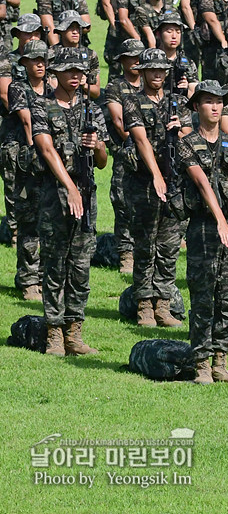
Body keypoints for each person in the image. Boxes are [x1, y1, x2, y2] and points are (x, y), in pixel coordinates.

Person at [33, 48, 108, 356]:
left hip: (86, 194)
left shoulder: (92, 110)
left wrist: (98, 145)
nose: (76, 76)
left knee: (80, 267)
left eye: (80, 72)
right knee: (54, 263)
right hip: (55, 195)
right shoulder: (42, 106)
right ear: (56, 74)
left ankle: (74, 330)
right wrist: (69, 188)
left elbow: (102, 162)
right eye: (70, 71)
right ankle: (53, 330)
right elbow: (47, 150)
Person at [179, 80, 228, 383]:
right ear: (196, 107)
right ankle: (202, 362)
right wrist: (219, 219)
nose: (215, 107)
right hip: (205, 228)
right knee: (204, 296)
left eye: (219, 102)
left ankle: (221, 360)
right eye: (208, 101)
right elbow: (202, 183)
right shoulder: (187, 143)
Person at [122, 48, 192, 327]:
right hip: (144, 182)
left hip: (174, 182)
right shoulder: (132, 102)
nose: (158, 74)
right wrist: (156, 175)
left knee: (169, 246)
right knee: (145, 245)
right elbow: (141, 141)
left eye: (162, 70)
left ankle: (163, 304)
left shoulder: (178, 103)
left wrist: (181, 129)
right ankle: (143, 307)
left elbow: (192, 136)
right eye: (153, 69)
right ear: (142, 71)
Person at [3, 40, 48, 301]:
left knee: (48, 221)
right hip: (26, 160)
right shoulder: (18, 88)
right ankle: (28, 279)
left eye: (43, 59)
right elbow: (27, 120)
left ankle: (43, 275)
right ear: (25, 63)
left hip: (48, 161)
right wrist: (38, 151)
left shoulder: (52, 89)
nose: (40, 63)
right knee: (29, 220)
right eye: (35, 60)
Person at [104, 38, 146, 275]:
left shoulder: (149, 85)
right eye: (130, 57)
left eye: (139, 56)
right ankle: (126, 253)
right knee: (122, 202)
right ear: (122, 61)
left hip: (150, 153)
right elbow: (120, 122)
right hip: (127, 151)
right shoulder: (115, 86)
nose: (135, 61)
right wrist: (143, 141)